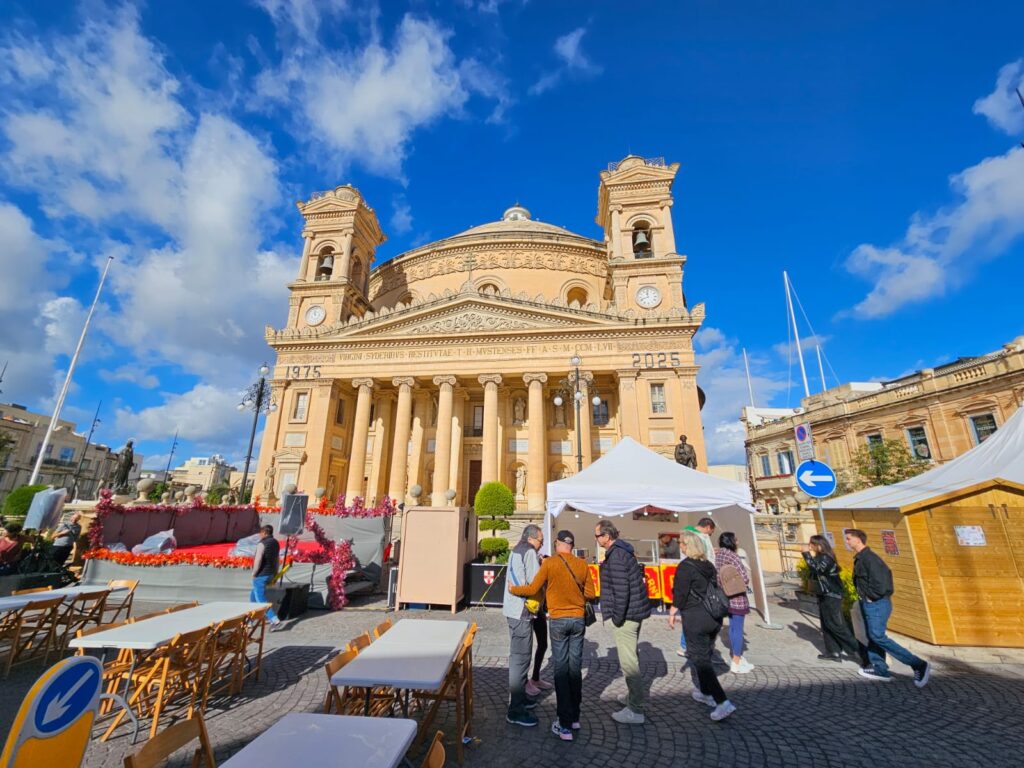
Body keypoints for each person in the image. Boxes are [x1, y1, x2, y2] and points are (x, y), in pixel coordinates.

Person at [509, 529, 596, 742]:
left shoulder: (549, 563)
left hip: (558, 620)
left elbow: (533, 587)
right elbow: (591, 594)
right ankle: (574, 717)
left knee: (560, 671)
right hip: (577, 621)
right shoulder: (583, 565)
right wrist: (575, 595)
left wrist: (514, 590)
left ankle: (564, 725)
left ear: (558, 544)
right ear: (572, 545)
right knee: (574, 670)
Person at [846, 529, 930, 687]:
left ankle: (918, 664)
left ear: (858, 540)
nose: (847, 541)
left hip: (876, 603)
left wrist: (871, 597)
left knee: (877, 636)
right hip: (870, 602)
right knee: (872, 635)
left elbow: (883, 583)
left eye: (849, 539)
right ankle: (880, 668)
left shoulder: (870, 559)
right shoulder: (861, 558)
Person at [669, 530, 736, 721]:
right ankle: (705, 693)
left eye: (681, 543)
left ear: (687, 546)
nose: (680, 546)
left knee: (700, 660)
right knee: (705, 653)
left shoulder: (685, 567)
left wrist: (673, 612)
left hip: (696, 617)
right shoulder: (708, 565)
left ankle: (722, 701)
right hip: (713, 617)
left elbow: (680, 594)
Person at [595, 519, 651, 725]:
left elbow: (621, 591)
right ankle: (632, 697)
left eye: (597, 535)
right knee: (631, 657)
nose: (597, 539)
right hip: (634, 612)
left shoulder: (616, 555)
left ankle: (635, 709)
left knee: (629, 663)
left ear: (607, 537)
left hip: (627, 616)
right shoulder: (622, 551)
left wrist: (617, 617)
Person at [801, 535, 868, 667]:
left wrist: (806, 554)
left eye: (812, 544)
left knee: (836, 625)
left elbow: (818, 569)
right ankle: (833, 652)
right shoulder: (821, 556)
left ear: (819, 545)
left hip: (832, 595)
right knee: (826, 624)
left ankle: (862, 652)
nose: (810, 547)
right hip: (824, 594)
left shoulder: (826, 557)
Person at [503, 524, 544, 726]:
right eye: (540, 541)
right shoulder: (528, 552)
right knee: (520, 659)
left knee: (518, 658)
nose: (541, 545)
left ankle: (521, 700)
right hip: (521, 612)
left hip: (512, 611)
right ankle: (515, 710)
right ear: (531, 538)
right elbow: (535, 584)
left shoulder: (516, 549)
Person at [675, 517, 716, 658]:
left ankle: (686, 645)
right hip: (701, 582)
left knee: (691, 615)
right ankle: (689, 646)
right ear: (708, 527)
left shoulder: (688, 534)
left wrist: (675, 607)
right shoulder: (699, 537)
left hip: (694, 584)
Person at [715, 532, 754, 674]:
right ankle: (736, 660)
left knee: (732, 627)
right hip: (736, 596)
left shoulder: (719, 555)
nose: (737, 541)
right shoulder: (733, 556)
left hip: (724, 595)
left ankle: (737, 656)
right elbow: (744, 578)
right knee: (737, 628)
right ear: (731, 541)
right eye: (735, 539)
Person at [251, 525, 283, 631]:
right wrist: (276, 573)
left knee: (261, 600)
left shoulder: (262, 544)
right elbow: (277, 559)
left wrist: (254, 573)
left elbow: (258, 560)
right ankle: (251, 618)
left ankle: (275, 620)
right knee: (253, 595)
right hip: (271, 573)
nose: (260, 535)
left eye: (260, 533)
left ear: (264, 533)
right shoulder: (275, 543)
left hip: (261, 575)